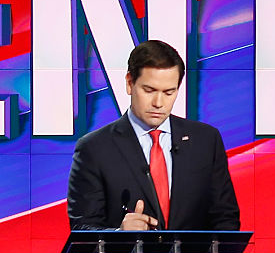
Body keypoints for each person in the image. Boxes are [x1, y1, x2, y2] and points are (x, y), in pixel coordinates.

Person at [67, 40, 240, 231]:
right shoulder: (94, 148)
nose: (158, 103)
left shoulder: (206, 140)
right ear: (130, 83)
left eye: (169, 92)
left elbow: (226, 219)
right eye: (149, 90)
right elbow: (82, 228)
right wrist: (119, 234)